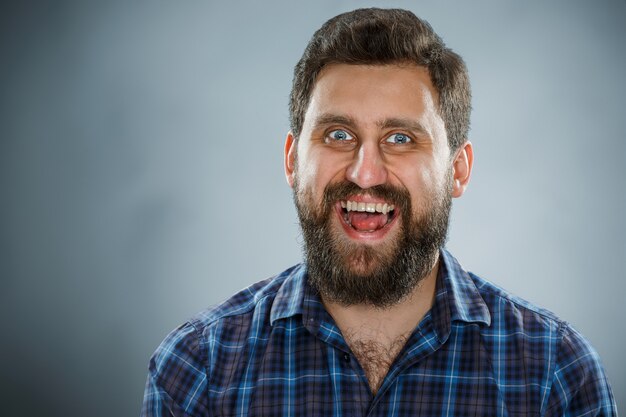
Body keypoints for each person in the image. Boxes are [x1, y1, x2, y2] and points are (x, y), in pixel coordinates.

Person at [141, 8, 616, 416]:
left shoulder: (555, 372)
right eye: (338, 135)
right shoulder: (197, 369)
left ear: (458, 170)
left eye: (401, 139)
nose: (366, 173)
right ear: (292, 160)